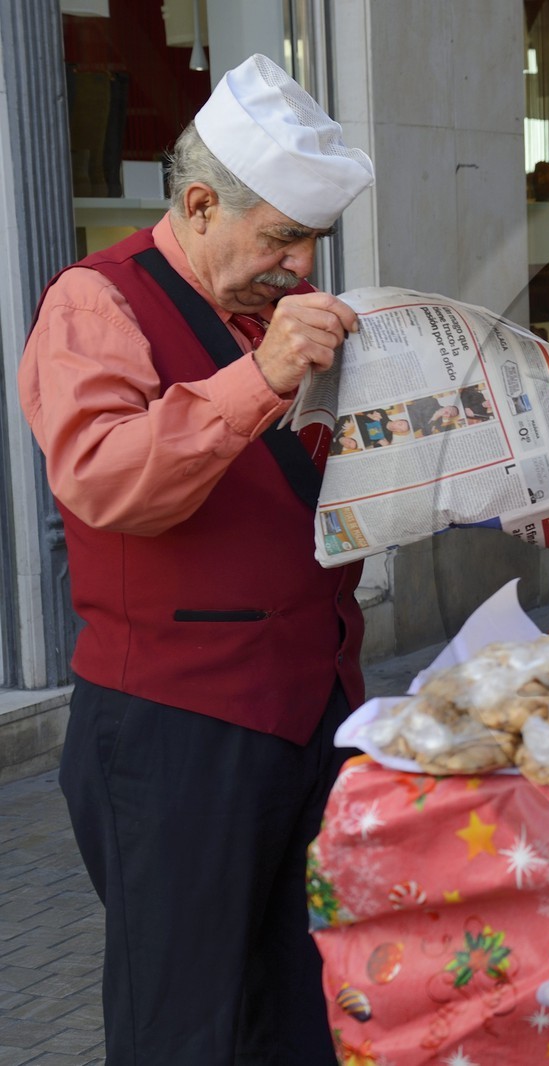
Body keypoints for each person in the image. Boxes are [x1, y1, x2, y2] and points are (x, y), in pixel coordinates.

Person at [19, 54, 374, 1065]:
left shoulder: (271, 307)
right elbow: (105, 480)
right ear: (204, 202)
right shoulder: (96, 303)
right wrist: (260, 375)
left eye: (311, 242)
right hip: (175, 728)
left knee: (306, 999)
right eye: (281, 239)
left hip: (311, 705)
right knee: (187, 1023)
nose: (300, 266)